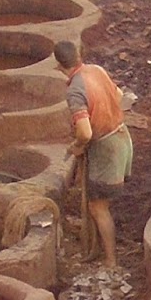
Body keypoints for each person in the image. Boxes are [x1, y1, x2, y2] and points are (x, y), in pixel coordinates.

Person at [54, 40, 133, 268]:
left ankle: (110, 261)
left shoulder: (75, 91)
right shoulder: (96, 70)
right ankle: (99, 248)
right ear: (78, 56)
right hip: (122, 137)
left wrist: (78, 145)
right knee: (99, 202)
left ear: (58, 65)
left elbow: (85, 132)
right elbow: (119, 96)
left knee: (98, 208)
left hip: (106, 149)